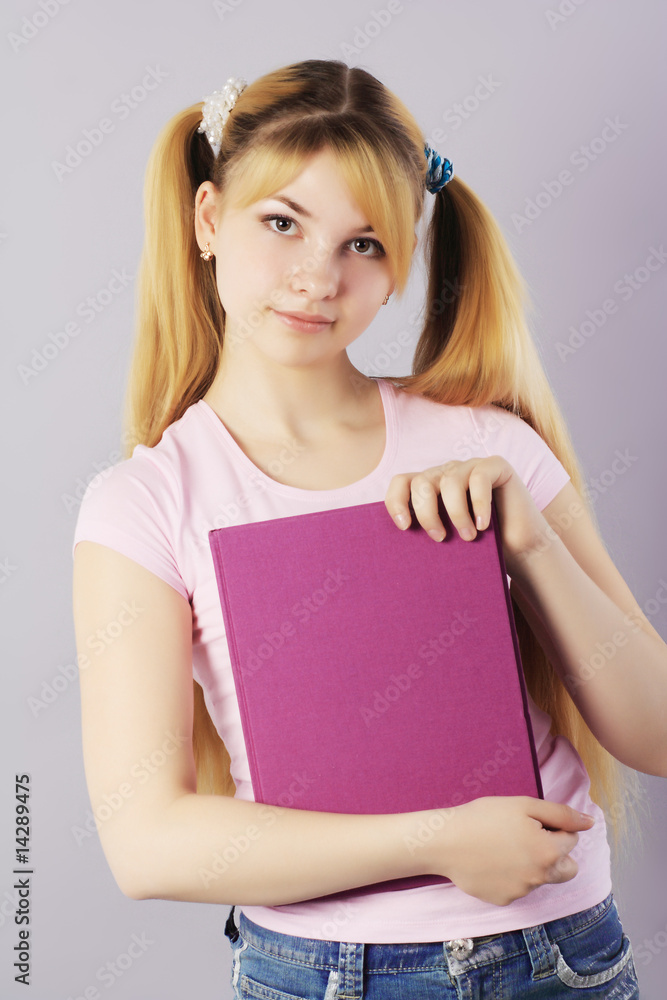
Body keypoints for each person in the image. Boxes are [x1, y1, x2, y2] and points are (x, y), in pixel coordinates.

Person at [71, 58, 664, 998]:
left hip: (560, 958)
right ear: (207, 220)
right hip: (324, 974)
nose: (316, 277)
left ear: (399, 269)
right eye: (281, 223)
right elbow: (146, 843)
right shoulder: (147, 502)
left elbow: (654, 733)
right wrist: (438, 841)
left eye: (364, 245)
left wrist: (529, 543)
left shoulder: (482, 439)